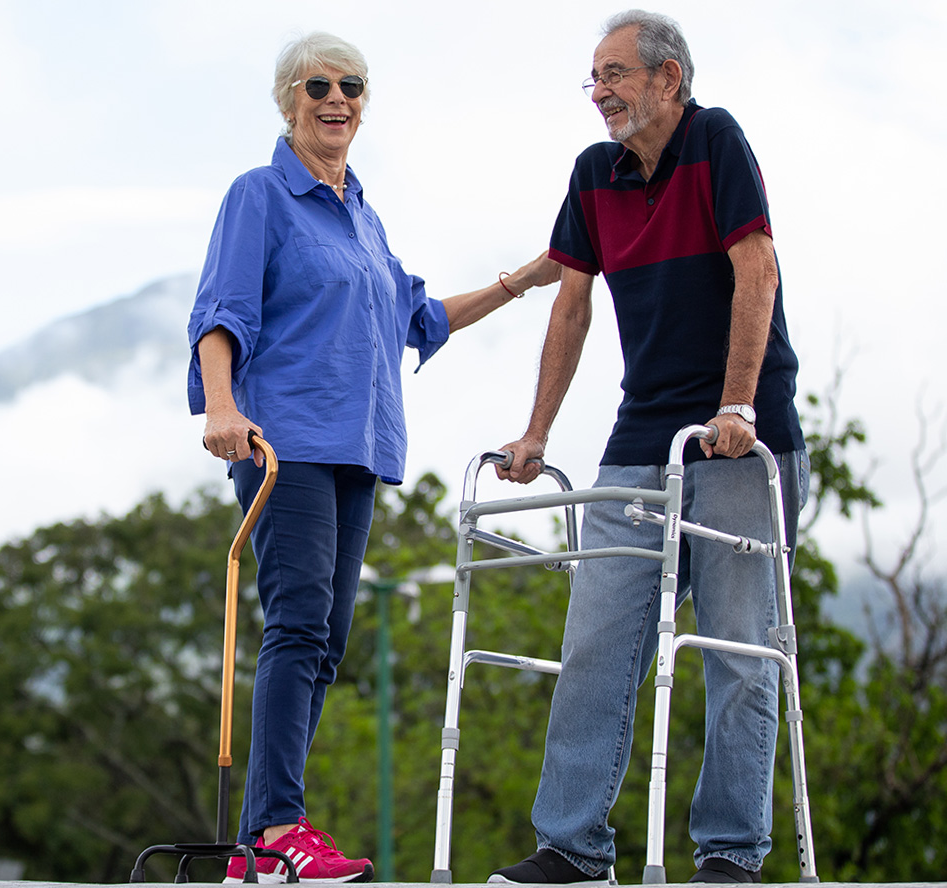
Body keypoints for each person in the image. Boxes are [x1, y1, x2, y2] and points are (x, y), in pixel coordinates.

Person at [189, 30, 561, 885]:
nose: (337, 99)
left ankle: (263, 842)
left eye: (351, 86)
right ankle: (277, 828)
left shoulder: (362, 214)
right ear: (289, 100)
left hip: (356, 450)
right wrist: (219, 407)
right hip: (283, 442)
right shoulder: (260, 196)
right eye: (318, 85)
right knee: (296, 627)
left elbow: (416, 316)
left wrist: (521, 280)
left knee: (328, 641)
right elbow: (220, 311)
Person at [488, 10, 808, 885]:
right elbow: (571, 303)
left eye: (614, 74)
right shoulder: (594, 174)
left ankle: (730, 857)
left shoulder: (716, 142)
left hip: (742, 441)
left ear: (668, 78)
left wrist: (735, 403)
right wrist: (537, 431)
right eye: (592, 78)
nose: (598, 93)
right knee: (596, 637)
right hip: (641, 435)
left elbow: (758, 266)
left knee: (738, 651)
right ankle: (571, 849)